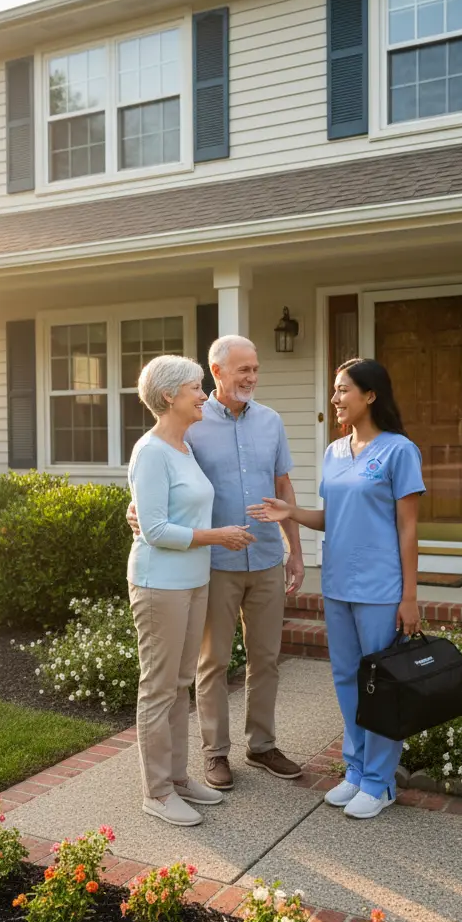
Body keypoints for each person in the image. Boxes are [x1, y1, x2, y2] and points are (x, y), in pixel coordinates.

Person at [248, 358, 424, 820]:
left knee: (382, 686)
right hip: (338, 586)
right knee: (348, 680)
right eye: (333, 389)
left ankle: (380, 782)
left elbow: (408, 530)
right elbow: (332, 518)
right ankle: (357, 770)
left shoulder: (399, 451)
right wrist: (291, 513)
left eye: (343, 390)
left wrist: (410, 597)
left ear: (370, 395)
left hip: (381, 589)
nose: (335, 398)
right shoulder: (333, 452)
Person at [128, 335, 305, 792]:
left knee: (266, 658)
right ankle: (215, 753)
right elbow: (160, 483)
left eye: (256, 369)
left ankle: (262, 745)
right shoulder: (194, 423)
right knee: (212, 663)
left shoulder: (271, 421)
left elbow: (284, 488)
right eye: (243, 369)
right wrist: (136, 513)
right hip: (213, 564)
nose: (251, 378)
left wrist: (296, 552)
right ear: (217, 372)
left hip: (265, 555)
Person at [126, 354, 254, 827]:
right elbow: (156, 529)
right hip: (160, 585)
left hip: (193, 581)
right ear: (168, 397)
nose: (204, 395)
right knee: (159, 689)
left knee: (180, 687)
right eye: (196, 388)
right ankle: (156, 792)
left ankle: (177, 779)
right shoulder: (152, 449)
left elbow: (151, 509)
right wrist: (218, 536)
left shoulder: (183, 448)